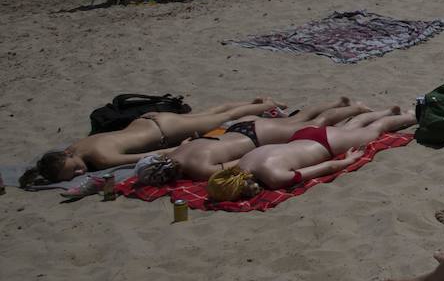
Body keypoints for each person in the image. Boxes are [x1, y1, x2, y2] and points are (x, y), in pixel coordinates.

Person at [21, 98, 282, 184]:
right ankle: (256, 101)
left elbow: (141, 159)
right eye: (74, 174)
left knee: (220, 117)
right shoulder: (76, 147)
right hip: (149, 122)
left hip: (164, 131)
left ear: (67, 156)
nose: (80, 172)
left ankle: (267, 104)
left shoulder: (100, 159)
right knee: (212, 113)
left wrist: (180, 149)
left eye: (75, 168)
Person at [137, 98, 369, 183]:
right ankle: (339, 103)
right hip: (234, 130)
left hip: (254, 138)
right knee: (301, 117)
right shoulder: (176, 151)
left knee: (316, 124)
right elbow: (193, 141)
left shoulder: (198, 170)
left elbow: (240, 165)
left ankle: (355, 108)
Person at [213, 107, 416, 196]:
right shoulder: (243, 164)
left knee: (376, 130)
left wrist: (348, 160)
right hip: (302, 136)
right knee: (350, 128)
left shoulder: (274, 177)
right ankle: (387, 111)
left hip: (325, 144)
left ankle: (411, 115)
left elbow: (325, 167)